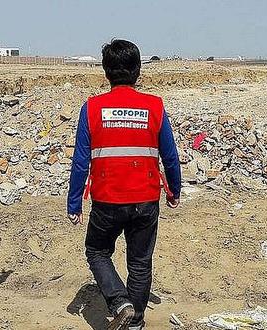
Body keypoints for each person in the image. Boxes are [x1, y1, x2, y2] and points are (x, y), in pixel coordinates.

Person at [67, 39, 181, 330]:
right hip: (145, 199)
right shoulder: (154, 106)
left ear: (106, 72)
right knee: (140, 262)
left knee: (96, 251)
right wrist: (175, 191)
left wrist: (74, 203)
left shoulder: (92, 108)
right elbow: (170, 155)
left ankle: (120, 303)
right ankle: (136, 322)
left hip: (107, 200)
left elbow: (81, 161)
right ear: (138, 71)